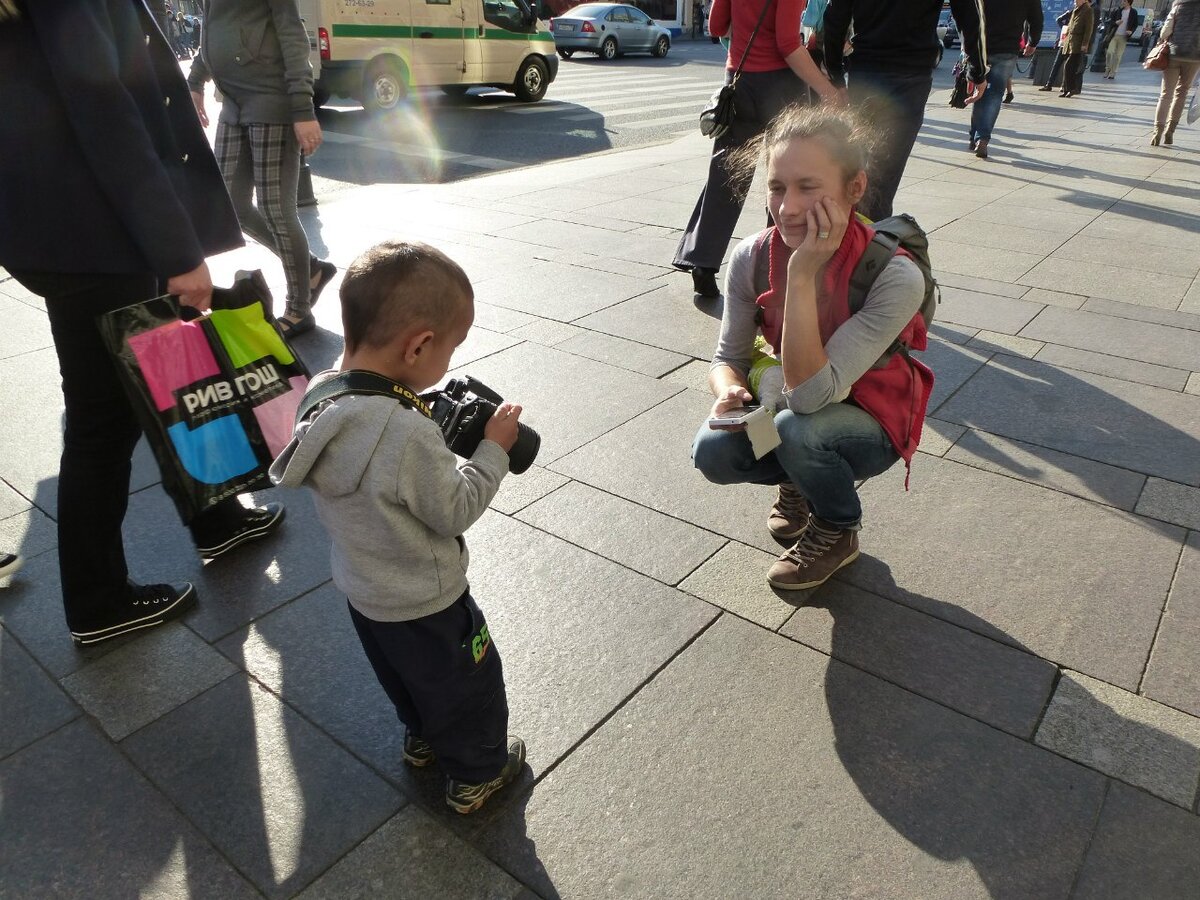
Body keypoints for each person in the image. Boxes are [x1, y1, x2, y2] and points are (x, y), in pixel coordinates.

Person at [0, 0, 286, 646]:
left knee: (160, 378)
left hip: (73, 225)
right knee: (104, 419)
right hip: (100, 229)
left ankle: (217, 517)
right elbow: (105, 116)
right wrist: (177, 251)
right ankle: (98, 602)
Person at [270, 240, 527, 815]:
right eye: (451, 347)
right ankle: (479, 773)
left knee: (405, 677)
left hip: (365, 593)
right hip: (429, 598)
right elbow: (455, 508)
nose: (451, 359)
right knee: (470, 685)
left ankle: (422, 740)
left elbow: (371, 456)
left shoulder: (322, 395)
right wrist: (493, 451)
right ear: (418, 345)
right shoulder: (405, 432)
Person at [691, 105, 933, 590]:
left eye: (809, 187)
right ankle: (799, 481)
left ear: (855, 189)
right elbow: (727, 359)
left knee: (798, 431)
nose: (788, 208)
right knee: (713, 451)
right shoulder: (752, 256)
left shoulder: (894, 275)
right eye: (777, 187)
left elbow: (809, 396)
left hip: (873, 414)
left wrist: (801, 274)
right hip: (794, 401)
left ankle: (838, 528)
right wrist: (730, 389)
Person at [673, 0, 843, 299]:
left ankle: (702, 263)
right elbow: (788, 44)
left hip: (738, 81)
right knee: (786, 181)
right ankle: (775, 269)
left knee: (726, 177)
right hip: (781, 87)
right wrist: (826, 89)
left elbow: (716, 27)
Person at [188, 0, 337, 337]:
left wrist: (302, 110)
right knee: (230, 204)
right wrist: (196, 81)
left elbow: (292, 36)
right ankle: (310, 268)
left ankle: (300, 308)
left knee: (276, 209)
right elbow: (212, 31)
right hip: (233, 105)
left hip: (271, 100)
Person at [823, 0, 987, 222]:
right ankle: (867, 241)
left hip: (867, 69)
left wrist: (835, 73)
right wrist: (977, 71)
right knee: (885, 173)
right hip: (911, 73)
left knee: (859, 164)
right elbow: (969, 16)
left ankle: (847, 233)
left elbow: (835, 15)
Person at [969, 0, 1042, 158]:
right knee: (994, 94)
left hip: (982, 46)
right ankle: (982, 138)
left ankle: (973, 136)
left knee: (979, 89)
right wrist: (1033, 41)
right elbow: (1036, 18)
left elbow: (970, 13)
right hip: (1007, 49)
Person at [1151, 0, 1200, 145]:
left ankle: (1157, 133)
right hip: (1194, 57)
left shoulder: (1178, 5)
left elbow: (1165, 31)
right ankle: (1170, 131)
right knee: (1182, 93)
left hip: (1174, 53)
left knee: (1166, 94)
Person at [1060, 0, 1095, 98]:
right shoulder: (1076, 9)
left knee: (1069, 66)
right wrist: (1064, 40)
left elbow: (1089, 29)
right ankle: (1066, 89)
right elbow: (1070, 26)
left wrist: (1085, 43)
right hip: (1069, 42)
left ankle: (1072, 88)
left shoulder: (1088, 10)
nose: (1075, 1)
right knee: (1067, 67)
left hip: (1077, 44)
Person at [1105, 0, 1140, 78]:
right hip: (1114, 35)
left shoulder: (1133, 12)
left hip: (1124, 37)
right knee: (1109, 52)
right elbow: (1110, 22)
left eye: (1124, 1)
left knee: (1118, 56)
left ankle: (1113, 73)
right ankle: (1107, 68)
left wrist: (1131, 31)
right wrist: (1116, 23)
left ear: (1129, 2)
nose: (1122, 2)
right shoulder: (1118, 11)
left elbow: (1135, 24)